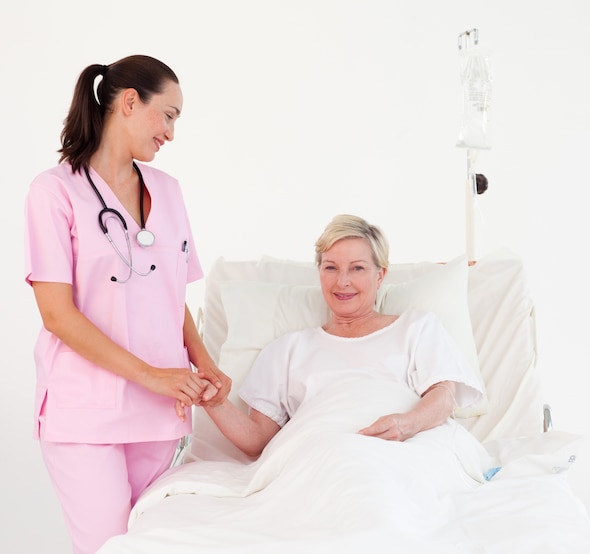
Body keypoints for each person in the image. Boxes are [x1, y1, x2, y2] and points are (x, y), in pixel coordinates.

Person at [23, 55, 231, 554]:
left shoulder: (169, 191)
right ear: (130, 102)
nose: (172, 133)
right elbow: (57, 314)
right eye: (170, 115)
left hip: (160, 411)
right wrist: (154, 376)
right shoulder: (54, 192)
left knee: (149, 545)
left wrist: (205, 364)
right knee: (107, 546)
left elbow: (170, 295)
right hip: (86, 409)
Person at [201, 214, 484, 459]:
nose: (342, 282)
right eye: (331, 267)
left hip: (404, 452)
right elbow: (257, 441)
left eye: (357, 268)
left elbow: (444, 398)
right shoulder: (287, 350)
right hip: (323, 459)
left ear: (380, 275)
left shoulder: (416, 328)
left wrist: (406, 424)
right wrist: (215, 403)